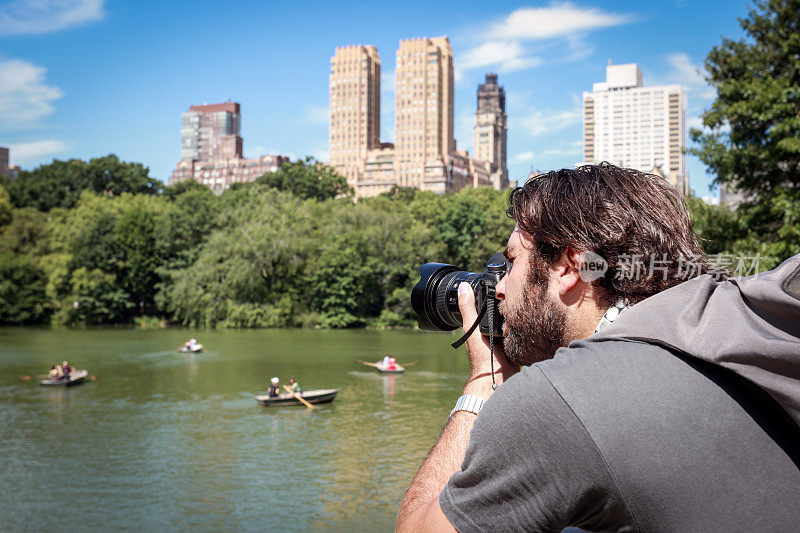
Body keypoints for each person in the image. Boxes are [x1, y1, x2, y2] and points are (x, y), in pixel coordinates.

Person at [396, 163, 800, 531]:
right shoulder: (750, 319)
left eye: (512, 262)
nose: (498, 288)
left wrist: (484, 379)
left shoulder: (557, 402)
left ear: (571, 267)